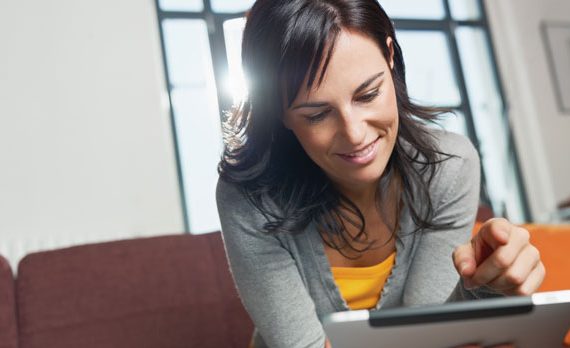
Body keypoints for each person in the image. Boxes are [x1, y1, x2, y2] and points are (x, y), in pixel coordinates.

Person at [216, 1, 545, 347]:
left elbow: (426, 336)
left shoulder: (450, 166)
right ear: (278, 112)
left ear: (390, 55)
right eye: (316, 115)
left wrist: (491, 288)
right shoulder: (248, 197)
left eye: (368, 94)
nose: (355, 135)